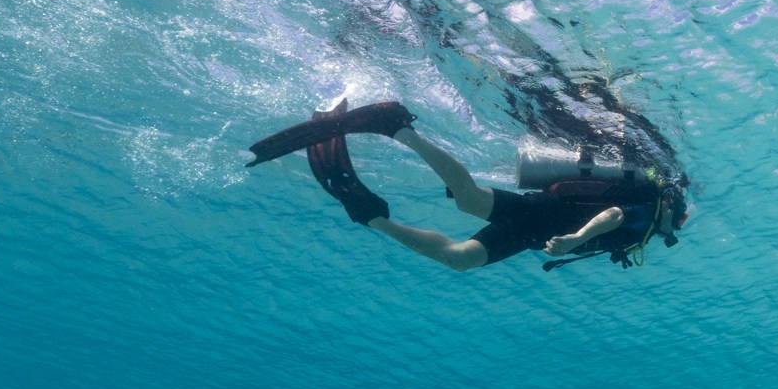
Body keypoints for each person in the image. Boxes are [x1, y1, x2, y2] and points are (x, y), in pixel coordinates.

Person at [247, 99, 687, 272]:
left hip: (535, 235)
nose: (675, 228)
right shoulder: (648, 214)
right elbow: (611, 215)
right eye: (678, 220)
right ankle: (396, 128)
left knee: (458, 259)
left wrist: (570, 241)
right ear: (673, 209)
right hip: (548, 219)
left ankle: (370, 216)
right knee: (468, 201)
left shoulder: (647, 231)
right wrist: (577, 237)